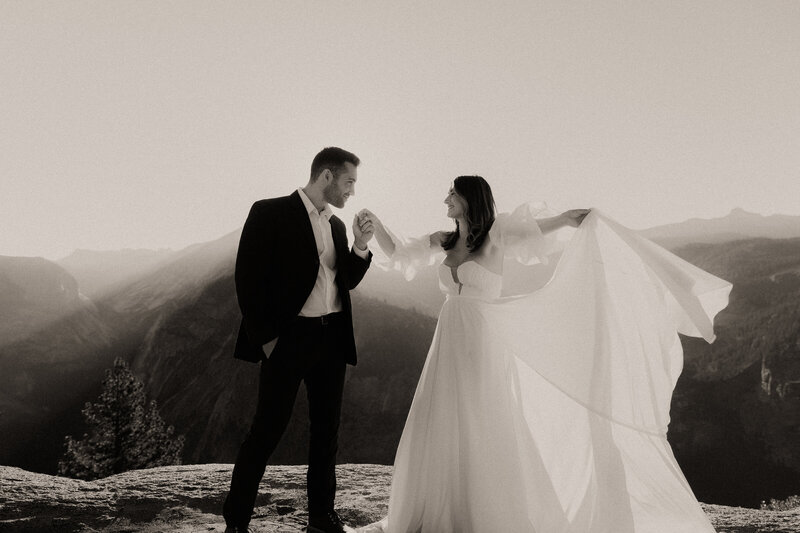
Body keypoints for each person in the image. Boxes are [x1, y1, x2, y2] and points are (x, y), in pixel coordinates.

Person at [357, 175, 730, 533]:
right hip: (449, 341)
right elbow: (399, 251)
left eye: (451, 194)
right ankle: (438, 503)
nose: (445, 201)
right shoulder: (444, 239)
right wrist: (376, 222)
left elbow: (535, 229)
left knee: (481, 417)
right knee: (440, 416)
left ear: (470, 198)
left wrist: (569, 219)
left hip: (484, 340)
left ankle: (480, 510)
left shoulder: (497, 233)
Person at [223, 147, 374, 533]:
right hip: (288, 340)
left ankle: (321, 517)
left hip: (331, 339)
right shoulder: (269, 212)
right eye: (349, 182)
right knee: (267, 431)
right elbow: (247, 280)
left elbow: (346, 281)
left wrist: (359, 246)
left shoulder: (337, 226)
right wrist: (269, 341)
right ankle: (236, 521)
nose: (352, 191)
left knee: (327, 433)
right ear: (326, 176)